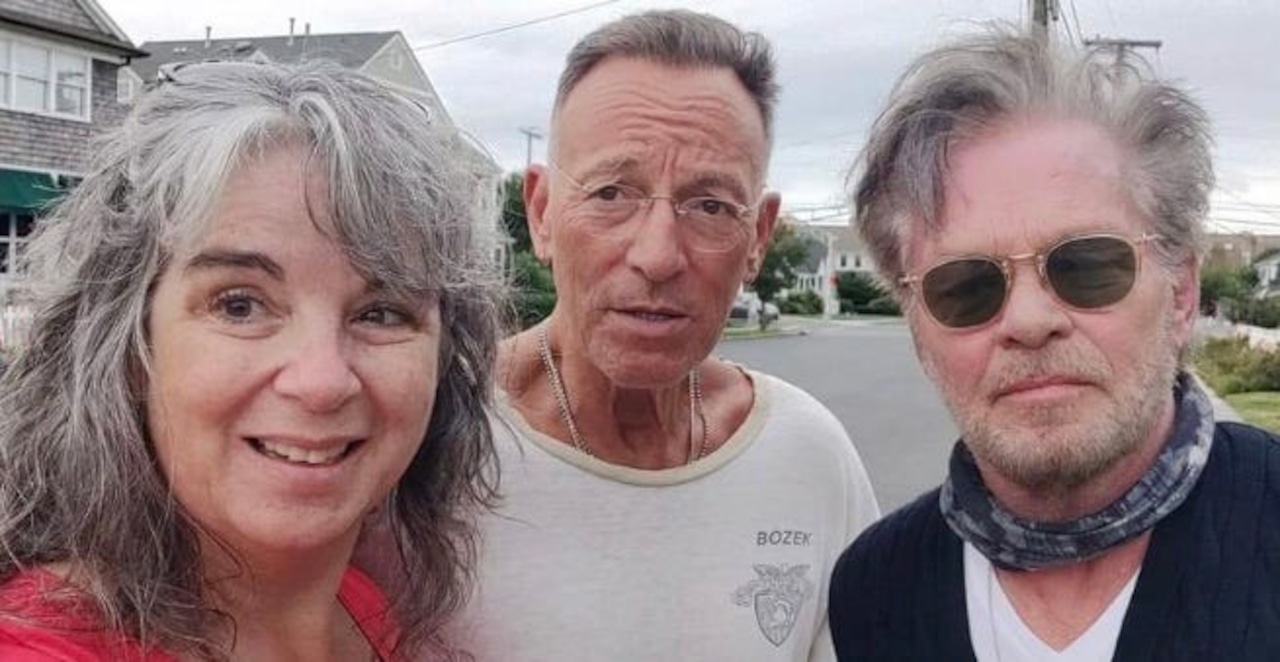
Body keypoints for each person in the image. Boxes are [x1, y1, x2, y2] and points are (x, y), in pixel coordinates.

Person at [0, 60, 503, 661]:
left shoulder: (365, 609)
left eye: (382, 313)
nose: (321, 382)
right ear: (127, 345)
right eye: (239, 305)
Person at [436, 9, 880, 662]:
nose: (658, 255)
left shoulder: (807, 457)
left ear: (758, 237)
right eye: (612, 193)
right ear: (542, 213)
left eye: (709, 205)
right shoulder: (430, 445)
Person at [828, 25, 1280, 661]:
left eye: (1087, 265)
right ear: (917, 328)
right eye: (965, 286)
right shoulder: (875, 592)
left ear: (1181, 293)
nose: (1029, 320)